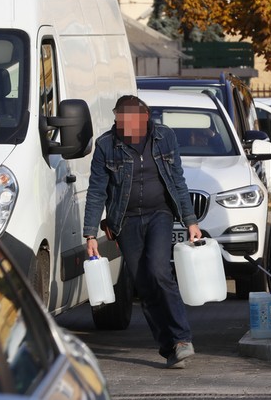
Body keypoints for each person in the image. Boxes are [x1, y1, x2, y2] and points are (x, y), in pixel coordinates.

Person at [83, 95, 202, 369]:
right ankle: (169, 347)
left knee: (159, 271)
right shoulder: (105, 145)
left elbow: (177, 180)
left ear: (145, 117)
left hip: (159, 213)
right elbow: (97, 191)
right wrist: (90, 234)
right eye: (121, 120)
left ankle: (182, 338)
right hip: (125, 222)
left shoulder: (164, 137)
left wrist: (190, 220)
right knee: (144, 285)